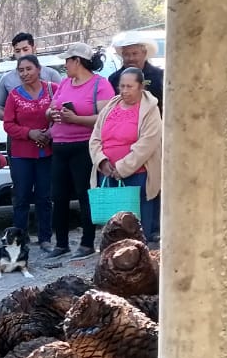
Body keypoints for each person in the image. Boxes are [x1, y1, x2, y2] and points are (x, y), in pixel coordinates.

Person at [43, 43, 116, 260]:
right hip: (60, 145)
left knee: (85, 195)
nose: (65, 65)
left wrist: (76, 119)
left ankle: (86, 243)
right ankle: (61, 243)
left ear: (77, 61)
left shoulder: (100, 85)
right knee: (59, 196)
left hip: (84, 146)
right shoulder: (65, 82)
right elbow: (51, 108)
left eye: (67, 60)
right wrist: (52, 114)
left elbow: (105, 117)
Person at [90, 67, 164, 242]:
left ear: (141, 87)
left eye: (129, 86)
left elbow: (148, 143)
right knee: (112, 226)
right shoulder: (111, 105)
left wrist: (122, 167)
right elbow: (95, 137)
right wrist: (101, 161)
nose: (124, 90)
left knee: (136, 226)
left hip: (138, 174)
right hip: (107, 172)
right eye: (121, 86)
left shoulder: (150, 109)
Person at [2, 55, 56, 248]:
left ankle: (45, 239)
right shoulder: (14, 96)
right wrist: (29, 133)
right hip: (21, 155)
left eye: (28, 69)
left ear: (38, 69)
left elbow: (62, 116)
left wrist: (49, 133)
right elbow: (8, 124)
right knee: (21, 197)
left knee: (45, 197)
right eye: (21, 70)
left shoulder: (53, 89)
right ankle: (19, 240)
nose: (25, 73)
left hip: (47, 153)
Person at [0, 31, 64, 120]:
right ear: (14, 52)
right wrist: (13, 121)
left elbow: (63, 102)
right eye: (18, 51)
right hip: (18, 133)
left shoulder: (51, 75)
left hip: (49, 131)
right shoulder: (7, 79)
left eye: (25, 49)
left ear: (34, 48)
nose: (22, 54)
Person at [108, 31, 165, 107]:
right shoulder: (114, 78)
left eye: (135, 54)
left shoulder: (159, 76)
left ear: (144, 53)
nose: (131, 58)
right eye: (126, 54)